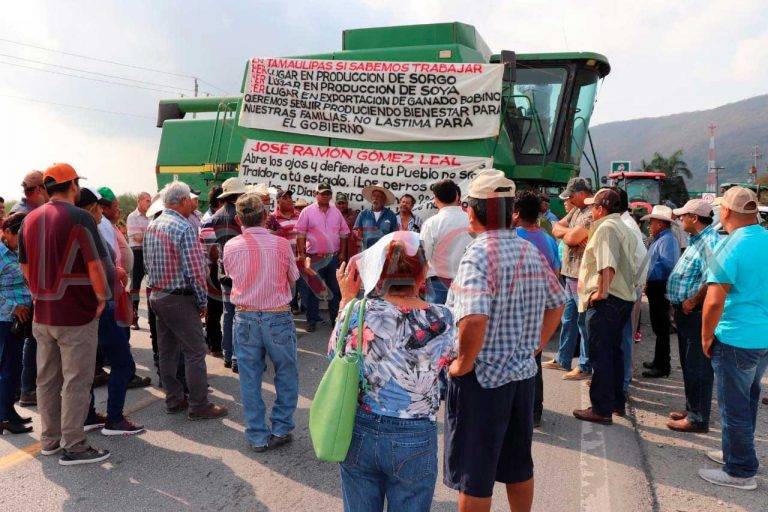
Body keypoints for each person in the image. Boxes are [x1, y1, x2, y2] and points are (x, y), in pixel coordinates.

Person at [445, 169, 565, 511]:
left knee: (474, 473)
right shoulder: (528, 249)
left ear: (474, 209)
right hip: (522, 377)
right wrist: (536, 345)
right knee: (517, 465)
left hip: (483, 380)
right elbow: (557, 303)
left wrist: (461, 364)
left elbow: (473, 318)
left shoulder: (478, 254)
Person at [331, 231, 456, 512]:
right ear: (422, 275)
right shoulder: (443, 318)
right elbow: (449, 364)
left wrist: (346, 301)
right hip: (415, 434)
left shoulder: (357, 311)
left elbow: (335, 359)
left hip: (360, 427)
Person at [18, 162, 112, 465]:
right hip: (75, 315)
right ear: (72, 185)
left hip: (43, 314)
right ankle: (75, 445)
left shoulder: (29, 220)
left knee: (46, 380)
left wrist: (39, 294)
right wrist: (101, 297)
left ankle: (50, 441)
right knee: (76, 380)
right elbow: (95, 265)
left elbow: (25, 268)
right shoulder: (80, 217)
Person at [698, 187, 768, 491]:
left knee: (734, 406)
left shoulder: (729, 246)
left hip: (736, 338)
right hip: (761, 338)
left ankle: (740, 470)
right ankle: (738, 453)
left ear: (725, 211)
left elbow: (713, 301)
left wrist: (705, 337)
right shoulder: (765, 240)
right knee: (748, 401)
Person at [143, 181, 228, 421]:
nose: (193, 203)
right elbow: (195, 271)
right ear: (180, 201)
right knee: (195, 352)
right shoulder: (183, 227)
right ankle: (199, 404)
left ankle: (174, 399)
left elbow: (148, 265)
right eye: (190, 199)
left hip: (158, 295)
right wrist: (202, 302)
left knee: (168, 351)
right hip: (179, 297)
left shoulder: (154, 224)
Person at [223, 193, 300, 452]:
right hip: (277, 314)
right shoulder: (281, 245)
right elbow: (293, 278)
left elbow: (231, 276)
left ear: (238, 219)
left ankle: (257, 434)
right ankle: (280, 427)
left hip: (244, 316)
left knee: (249, 377)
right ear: (266, 216)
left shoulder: (231, 246)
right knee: (286, 373)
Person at [77, 187, 145, 436]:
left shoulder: (82, 231)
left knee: (89, 366)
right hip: (104, 305)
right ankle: (114, 419)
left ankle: (89, 415)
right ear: (92, 209)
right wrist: (115, 274)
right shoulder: (88, 232)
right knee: (122, 363)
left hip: (93, 306)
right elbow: (98, 270)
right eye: (97, 209)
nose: (100, 213)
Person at [572, 188, 639, 424]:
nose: (591, 211)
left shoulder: (606, 228)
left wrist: (600, 292)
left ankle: (601, 408)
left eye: (593, 207)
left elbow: (606, 264)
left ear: (601, 208)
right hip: (623, 298)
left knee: (601, 355)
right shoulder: (624, 227)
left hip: (608, 301)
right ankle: (616, 402)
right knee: (614, 353)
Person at [665, 199, 720, 434]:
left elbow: (713, 278)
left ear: (694, 218)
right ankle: (692, 408)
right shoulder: (697, 240)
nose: (680, 220)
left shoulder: (709, 242)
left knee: (698, 366)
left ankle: (698, 417)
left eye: (683, 216)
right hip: (686, 312)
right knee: (689, 364)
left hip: (695, 313)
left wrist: (693, 300)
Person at [514, 191, 561, 428]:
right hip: (541, 308)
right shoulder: (549, 240)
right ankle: (535, 412)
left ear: (517, 213)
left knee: (514, 361)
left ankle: (517, 411)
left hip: (515, 309)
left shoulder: (512, 237)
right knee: (535, 357)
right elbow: (557, 274)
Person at [544, 177, 594, 380]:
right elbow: (557, 229)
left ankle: (584, 365)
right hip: (570, 274)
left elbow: (571, 238)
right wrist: (570, 233)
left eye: (571, 196)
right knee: (568, 319)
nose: (570, 201)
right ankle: (563, 359)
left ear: (581, 193)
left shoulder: (590, 212)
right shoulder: (576, 210)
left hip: (581, 275)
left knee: (583, 322)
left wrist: (570, 235)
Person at [200, 177, 247, 370]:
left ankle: (227, 354)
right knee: (241, 314)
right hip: (243, 271)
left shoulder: (210, 219)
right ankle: (237, 356)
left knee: (228, 313)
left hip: (221, 271)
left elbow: (207, 250)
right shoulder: (243, 217)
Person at [12, 171, 49, 407]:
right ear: (37, 190)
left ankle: (27, 387)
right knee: (33, 340)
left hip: (32, 288)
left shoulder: (28, 213)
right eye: (46, 189)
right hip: (28, 291)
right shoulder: (23, 216)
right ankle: (27, 389)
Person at [294, 182, 350, 332]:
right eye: (322, 193)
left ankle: (335, 321)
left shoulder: (336, 212)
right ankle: (311, 321)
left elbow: (344, 234)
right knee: (313, 290)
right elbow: (300, 234)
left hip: (332, 258)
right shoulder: (306, 211)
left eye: (328, 193)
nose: (325, 196)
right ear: (315, 194)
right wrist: (301, 254)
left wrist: (343, 253)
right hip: (314, 258)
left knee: (335, 290)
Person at [0, 213, 33, 434]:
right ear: (7, 232)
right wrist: (14, 307)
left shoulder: (15, 252)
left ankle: (9, 411)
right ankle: (3, 417)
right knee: (6, 369)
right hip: (4, 320)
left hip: (19, 321)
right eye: (19, 236)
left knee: (15, 367)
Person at [640, 205, 680, 378]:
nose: (650, 226)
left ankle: (663, 366)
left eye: (653, 222)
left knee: (662, 328)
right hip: (655, 285)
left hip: (660, 285)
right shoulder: (661, 238)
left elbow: (667, 265)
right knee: (658, 326)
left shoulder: (667, 240)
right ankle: (659, 361)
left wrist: (649, 273)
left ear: (661, 224)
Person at [615, 188, 648, 396]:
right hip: (630, 287)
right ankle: (621, 381)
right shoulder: (626, 224)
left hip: (626, 289)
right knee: (622, 337)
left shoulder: (623, 227)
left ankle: (622, 384)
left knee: (623, 338)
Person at [420, 179, 472, 305]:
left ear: (436, 199)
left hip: (437, 284)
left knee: (438, 322)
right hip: (467, 283)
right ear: (457, 196)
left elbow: (423, 257)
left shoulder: (431, 223)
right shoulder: (471, 221)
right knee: (461, 322)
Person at [202, 186, 223, 356]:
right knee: (215, 307)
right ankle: (214, 344)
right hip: (214, 267)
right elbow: (213, 252)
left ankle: (215, 341)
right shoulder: (210, 220)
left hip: (218, 265)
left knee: (217, 307)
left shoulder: (215, 217)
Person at [127, 191, 152, 330]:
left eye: (150, 201)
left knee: (151, 285)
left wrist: (146, 233)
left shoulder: (150, 216)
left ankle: (152, 318)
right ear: (139, 201)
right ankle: (133, 317)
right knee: (135, 286)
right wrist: (151, 233)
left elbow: (144, 235)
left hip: (148, 252)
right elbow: (137, 237)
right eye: (147, 200)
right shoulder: (132, 217)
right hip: (137, 253)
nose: (149, 203)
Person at [354, 185, 398, 250]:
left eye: (379, 196)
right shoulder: (363, 214)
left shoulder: (391, 215)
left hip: (384, 252)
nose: (376, 198)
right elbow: (357, 234)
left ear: (384, 200)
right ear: (371, 198)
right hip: (366, 252)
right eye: (374, 195)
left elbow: (394, 235)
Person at [336, 192, 360, 259]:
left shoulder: (353, 214)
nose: (341, 205)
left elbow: (344, 226)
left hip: (349, 249)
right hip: (335, 249)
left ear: (347, 204)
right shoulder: (331, 214)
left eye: (343, 203)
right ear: (335, 204)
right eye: (339, 203)